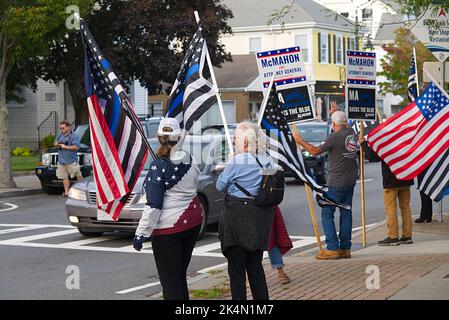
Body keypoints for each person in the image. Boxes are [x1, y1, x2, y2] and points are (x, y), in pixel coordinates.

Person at [133, 118, 202, 300]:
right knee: (179, 276)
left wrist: (141, 233)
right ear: (179, 137)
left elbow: (154, 204)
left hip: (170, 228)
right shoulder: (190, 159)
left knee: (170, 282)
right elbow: (195, 184)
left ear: (159, 137)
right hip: (193, 222)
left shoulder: (158, 166)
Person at [216, 121, 275, 300]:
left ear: (246, 142)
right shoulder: (268, 159)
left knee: (237, 272)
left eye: (237, 139)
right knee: (256, 268)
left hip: (237, 218)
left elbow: (220, 186)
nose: (234, 141)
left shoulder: (237, 161)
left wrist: (231, 162)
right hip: (259, 218)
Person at [292, 111, 358, 260]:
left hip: (337, 182)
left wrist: (300, 140)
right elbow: (343, 122)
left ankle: (332, 248)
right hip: (350, 180)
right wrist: (335, 112)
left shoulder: (335, 137)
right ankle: (345, 249)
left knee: (327, 213)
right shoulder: (351, 132)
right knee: (346, 213)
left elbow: (315, 151)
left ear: (333, 124)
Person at [359, 126, 414, 246]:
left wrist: (363, 144)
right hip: (406, 178)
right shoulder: (406, 141)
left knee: (391, 208)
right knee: (405, 207)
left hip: (391, 181)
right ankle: (407, 235)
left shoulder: (387, 143)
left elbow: (373, 157)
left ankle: (393, 236)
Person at [54, 120, 82, 197]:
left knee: (78, 176)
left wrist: (65, 146)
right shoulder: (60, 135)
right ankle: (66, 192)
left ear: (68, 127)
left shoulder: (74, 136)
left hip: (71, 160)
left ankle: (83, 191)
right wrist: (58, 144)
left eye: (63, 128)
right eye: (60, 128)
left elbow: (76, 147)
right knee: (64, 177)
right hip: (61, 161)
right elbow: (55, 143)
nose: (61, 130)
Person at [268, 206, 293, 284]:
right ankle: (281, 273)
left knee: (250, 243)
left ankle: (250, 277)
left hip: (244, 206)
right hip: (266, 205)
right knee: (273, 238)